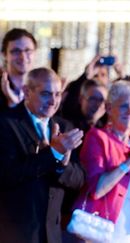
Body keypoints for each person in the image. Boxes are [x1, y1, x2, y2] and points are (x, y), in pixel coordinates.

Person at [0, 67, 85, 243]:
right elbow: (6, 175)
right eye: (46, 94)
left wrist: (62, 164)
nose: (53, 101)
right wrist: (53, 153)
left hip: (52, 234)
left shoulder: (65, 127)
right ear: (26, 91)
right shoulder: (6, 123)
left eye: (58, 94)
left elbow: (79, 180)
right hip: (15, 233)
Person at [73, 81, 130, 242]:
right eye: (125, 106)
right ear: (109, 108)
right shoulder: (97, 137)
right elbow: (98, 189)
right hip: (103, 227)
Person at [1, 28, 37, 111]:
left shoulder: (42, 88)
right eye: (16, 51)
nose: (23, 57)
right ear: (4, 55)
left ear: (35, 53)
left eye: (28, 51)